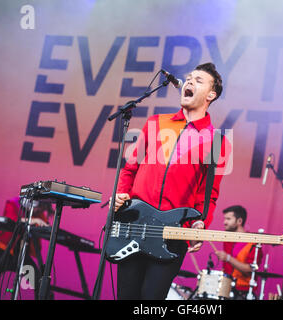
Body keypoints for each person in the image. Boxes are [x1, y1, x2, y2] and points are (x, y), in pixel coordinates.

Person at [112, 62, 230, 300]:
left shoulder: (217, 141)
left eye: (198, 80)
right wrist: (120, 195)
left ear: (211, 94)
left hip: (173, 234)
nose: (189, 82)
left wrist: (200, 223)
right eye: (188, 78)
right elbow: (130, 168)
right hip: (134, 223)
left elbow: (209, 194)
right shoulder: (156, 123)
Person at [214, 205, 263, 299]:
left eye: (228, 219)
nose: (224, 222)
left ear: (239, 221)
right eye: (225, 219)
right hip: (226, 289)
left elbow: (250, 269)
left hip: (243, 292)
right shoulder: (228, 240)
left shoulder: (253, 243)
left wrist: (228, 258)